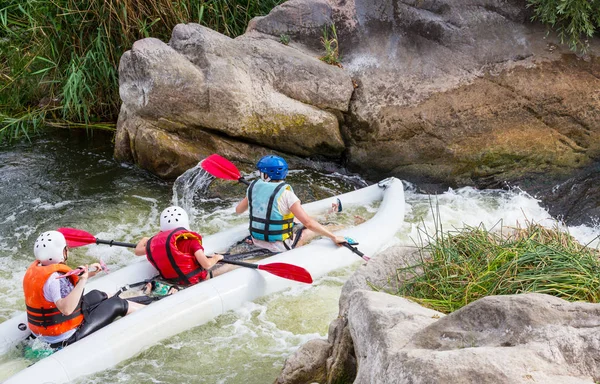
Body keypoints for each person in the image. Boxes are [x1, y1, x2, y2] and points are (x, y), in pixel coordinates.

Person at [23, 231, 143, 349]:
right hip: (65, 337)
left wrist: (88, 274)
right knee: (117, 304)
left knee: (97, 294)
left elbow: (60, 287)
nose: (67, 251)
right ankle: (147, 309)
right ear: (61, 252)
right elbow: (66, 309)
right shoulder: (55, 279)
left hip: (44, 332)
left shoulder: (37, 272)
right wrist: (83, 280)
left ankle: (137, 298)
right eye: (66, 249)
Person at [235, 155, 347, 253]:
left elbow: (238, 210)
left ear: (266, 175)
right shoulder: (287, 194)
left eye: (261, 172)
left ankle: (329, 213)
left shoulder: (253, 188)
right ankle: (338, 226)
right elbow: (308, 223)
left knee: (295, 221)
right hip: (279, 247)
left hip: (256, 240)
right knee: (306, 232)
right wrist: (333, 237)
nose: (259, 174)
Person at [134, 206, 224, 293]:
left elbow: (137, 251)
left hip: (170, 281)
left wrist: (146, 239)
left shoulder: (155, 245)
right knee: (226, 266)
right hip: (193, 281)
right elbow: (207, 264)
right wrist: (216, 258)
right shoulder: (191, 241)